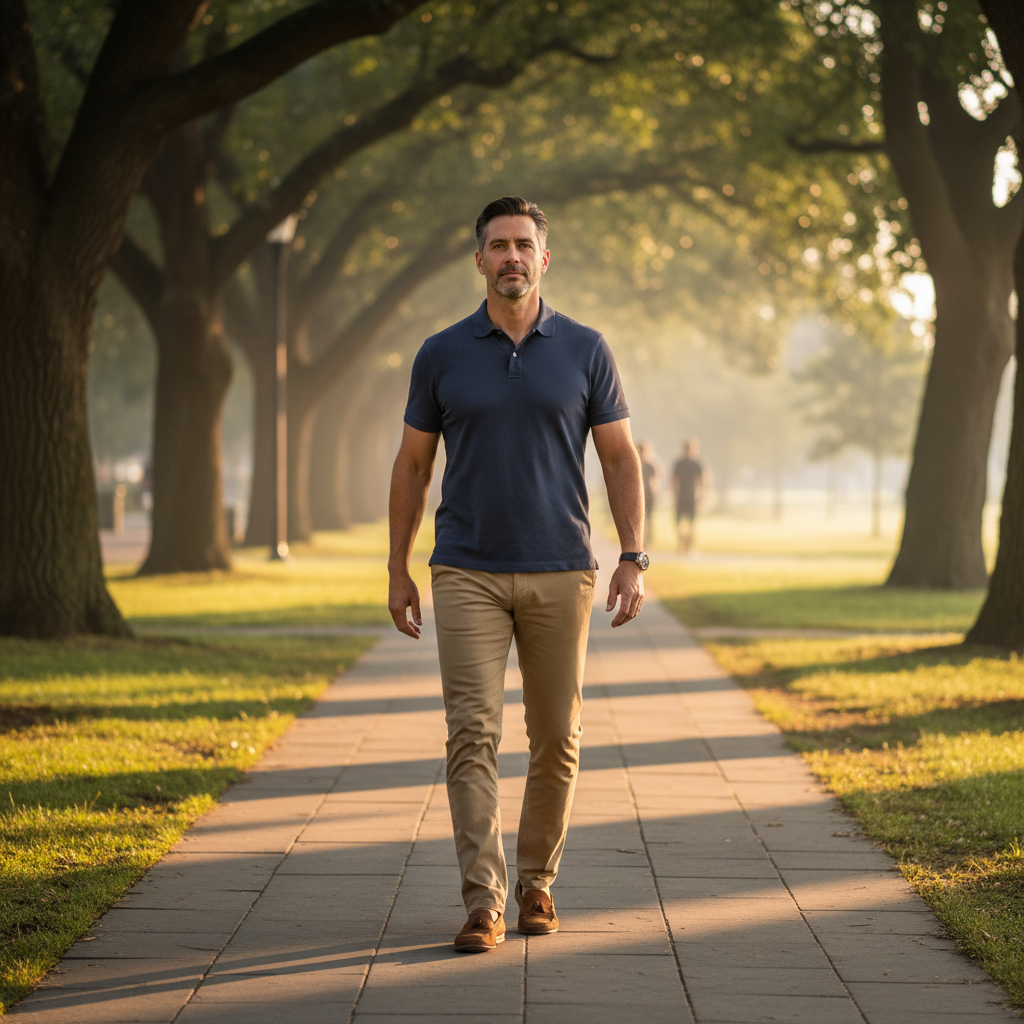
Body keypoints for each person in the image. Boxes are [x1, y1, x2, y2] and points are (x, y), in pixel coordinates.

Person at [388, 196, 647, 954]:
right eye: (497, 245)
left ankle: (537, 884)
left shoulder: (586, 349)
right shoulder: (441, 353)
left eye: (523, 245)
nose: (510, 256)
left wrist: (632, 556)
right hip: (464, 568)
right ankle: (484, 901)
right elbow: (412, 463)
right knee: (472, 733)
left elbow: (620, 457)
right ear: (479, 260)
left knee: (555, 737)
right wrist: (397, 567)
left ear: (543, 257)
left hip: (561, 567)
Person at [671, 438, 705, 553]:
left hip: (692, 496)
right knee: (679, 521)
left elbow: (702, 480)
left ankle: (689, 544)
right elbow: (674, 480)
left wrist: (700, 495)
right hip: (682, 495)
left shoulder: (696, 463)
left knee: (691, 523)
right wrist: (674, 494)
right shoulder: (680, 463)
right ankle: (683, 543)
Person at [636, 439, 662, 549]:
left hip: (639, 494)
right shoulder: (650, 464)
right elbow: (656, 479)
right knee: (647, 519)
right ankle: (645, 542)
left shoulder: (635, 462)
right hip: (647, 494)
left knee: (641, 519)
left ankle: (642, 541)